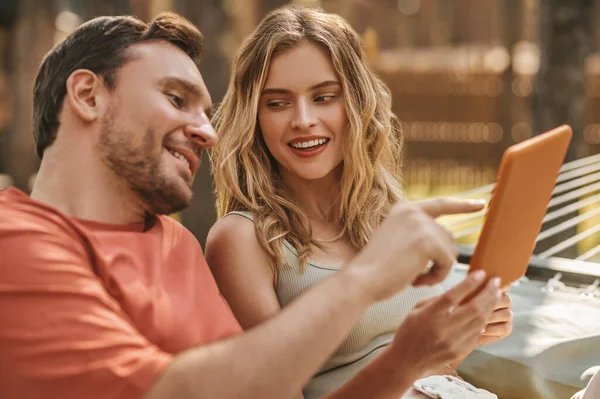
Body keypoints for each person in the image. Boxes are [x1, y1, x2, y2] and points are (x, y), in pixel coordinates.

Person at [0, 11, 502, 399]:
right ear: (88, 95)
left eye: (206, 111)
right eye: (177, 99)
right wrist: (373, 294)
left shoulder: (176, 247)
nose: (209, 132)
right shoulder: (17, 240)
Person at [209, 5, 513, 398]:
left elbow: (432, 372)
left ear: (355, 103)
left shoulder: (387, 215)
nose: (303, 119)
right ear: (253, 116)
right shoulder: (244, 239)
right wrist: (410, 358)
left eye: (323, 97)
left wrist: (462, 334)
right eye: (278, 103)